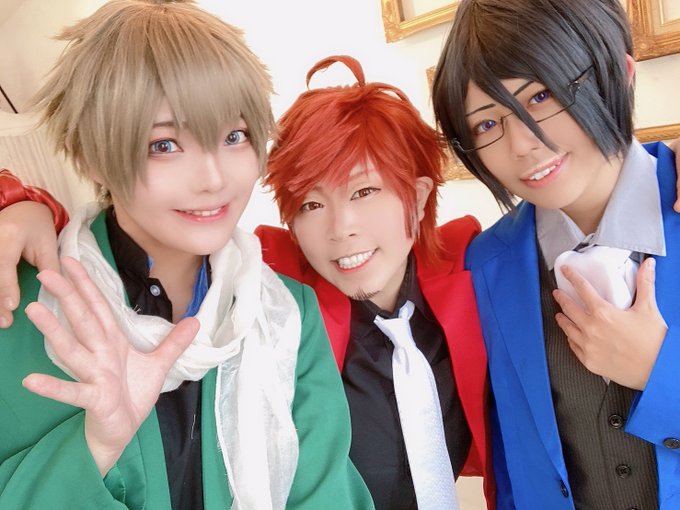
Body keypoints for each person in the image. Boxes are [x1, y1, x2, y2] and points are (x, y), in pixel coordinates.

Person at [0, 55, 496, 509]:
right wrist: (21, 201)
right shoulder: (277, 299)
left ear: (419, 196)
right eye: (311, 203)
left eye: (365, 191)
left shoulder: (478, 277)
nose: (341, 228)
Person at [0, 2, 372, 509]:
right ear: (88, 155)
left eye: (234, 136)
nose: (214, 179)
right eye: (165, 144)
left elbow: (325, 492)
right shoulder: (22, 307)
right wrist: (95, 449)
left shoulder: (286, 313)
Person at [432, 0, 680, 508]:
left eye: (541, 95)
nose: (522, 144)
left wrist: (660, 374)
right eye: (486, 125)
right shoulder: (485, 266)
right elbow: (511, 462)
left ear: (619, 75)